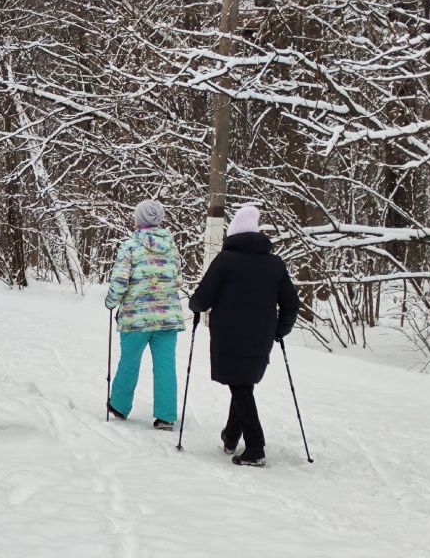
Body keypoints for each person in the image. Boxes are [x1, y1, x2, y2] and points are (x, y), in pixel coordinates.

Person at [189, 205, 299, 467]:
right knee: (242, 383)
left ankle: (255, 447)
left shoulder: (225, 261)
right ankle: (230, 436)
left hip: (229, 335)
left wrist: (195, 306)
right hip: (261, 337)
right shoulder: (275, 263)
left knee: (240, 386)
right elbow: (291, 304)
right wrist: (280, 330)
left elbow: (203, 298)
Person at [104, 199, 186, 431]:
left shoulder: (130, 246)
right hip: (168, 317)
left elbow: (120, 280)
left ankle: (119, 406)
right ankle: (166, 415)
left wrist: (111, 302)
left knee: (129, 362)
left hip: (136, 317)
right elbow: (178, 279)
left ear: (138, 219)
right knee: (165, 365)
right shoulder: (172, 246)